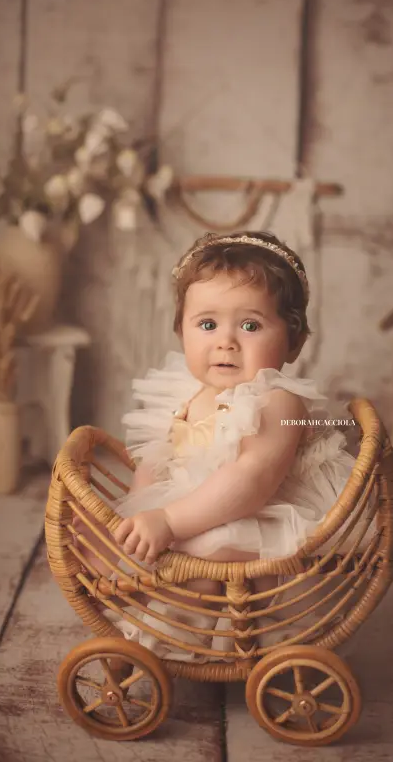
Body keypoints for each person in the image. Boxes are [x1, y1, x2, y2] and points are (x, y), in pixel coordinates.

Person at [84, 230, 358, 660]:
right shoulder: (187, 392)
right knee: (140, 544)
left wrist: (171, 522)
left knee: (208, 552)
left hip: (264, 516)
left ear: (294, 340)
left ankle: (165, 643)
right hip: (199, 506)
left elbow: (251, 478)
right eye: (207, 324)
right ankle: (156, 618)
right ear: (181, 331)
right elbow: (160, 459)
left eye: (250, 325)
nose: (226, 341)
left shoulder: (277, 400)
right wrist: (136, 516)